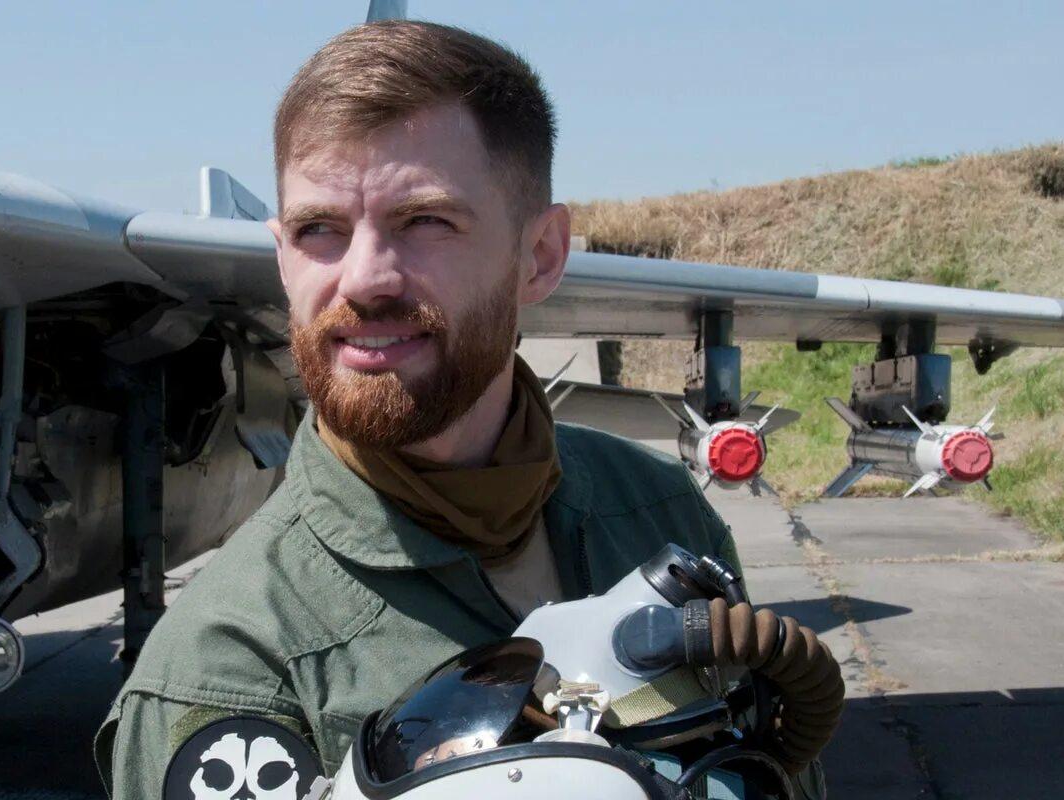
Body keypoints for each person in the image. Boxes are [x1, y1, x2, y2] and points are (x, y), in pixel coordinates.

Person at [95, 20, 826, 799]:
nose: (364, 279)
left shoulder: (654, 512)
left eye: (425, 221)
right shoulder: (227, 673)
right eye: (318, 231)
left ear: (540, 255)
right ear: (282, 258)